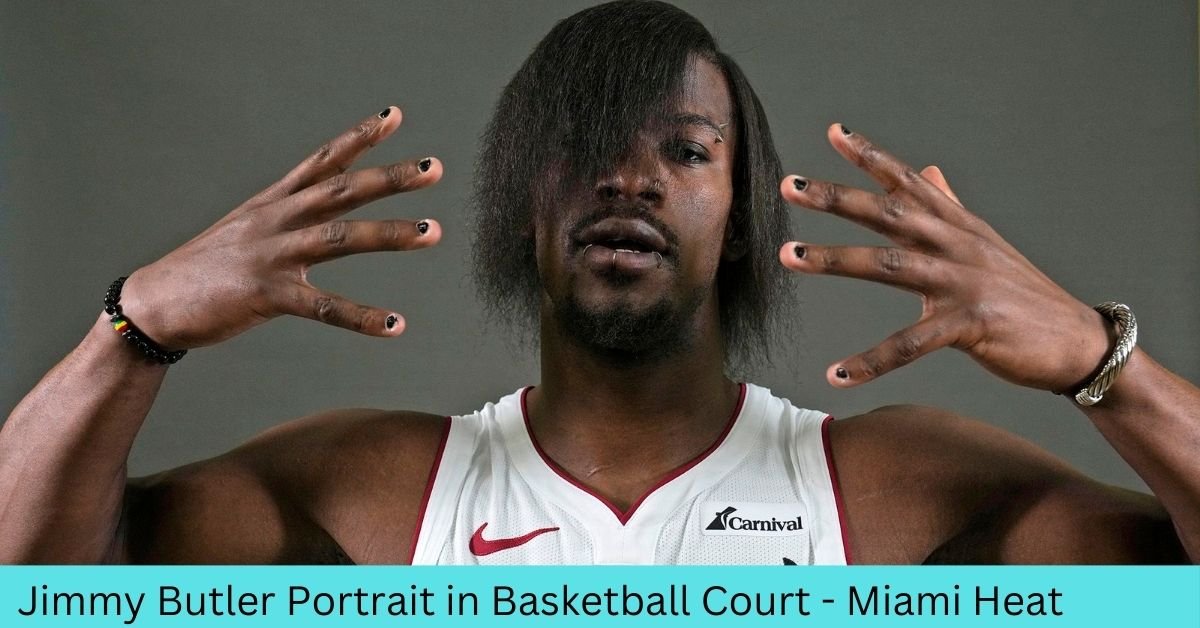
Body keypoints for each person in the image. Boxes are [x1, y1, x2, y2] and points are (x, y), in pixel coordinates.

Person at [1, 1, 1196, 565]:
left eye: (683, 150)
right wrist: (134, 327)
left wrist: (1110, 362)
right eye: (584, 146)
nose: (628, 179)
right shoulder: (379, 493)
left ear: (737, 218)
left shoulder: (882, 493)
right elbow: (30, 581)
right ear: (528, 200)